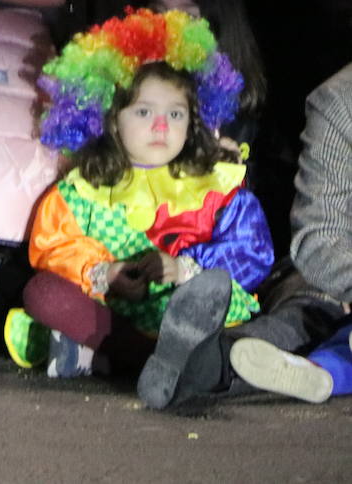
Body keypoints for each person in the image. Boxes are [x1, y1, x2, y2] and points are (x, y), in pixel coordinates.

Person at [3, 9, 275, 395]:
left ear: (194, 121)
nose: (161, 127)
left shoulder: (219, 186)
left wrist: (185, 270)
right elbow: (54, 247)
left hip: (189, 315)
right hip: (116, 312)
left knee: (231, 321)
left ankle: (108, 358)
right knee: (42, 292)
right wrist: (106, 273)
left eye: (176, 114)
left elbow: (251, 252)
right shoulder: (82, 190)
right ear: (112, 119)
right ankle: (151, 361)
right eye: (145, 111)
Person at [145, 60, 352, 408]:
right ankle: (213, 362)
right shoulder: (340, 104)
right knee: (311, 311)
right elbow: (319, 235)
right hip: (335, 282)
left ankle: (320, 373)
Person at [149, 0, 267, 147]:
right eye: (157, 11)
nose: (168, 26)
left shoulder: (234, 121)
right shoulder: (127, 94)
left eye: (188, 16)